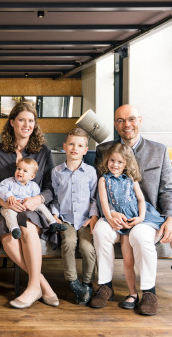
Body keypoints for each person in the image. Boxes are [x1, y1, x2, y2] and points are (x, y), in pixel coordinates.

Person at [90, 104, 172, 316]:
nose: (126, 124)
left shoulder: (159, 150)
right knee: (101, 232)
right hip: (114, 213)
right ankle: (105, 286)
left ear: (140, 120)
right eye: (120, 120)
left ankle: (148, 291)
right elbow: (97, 188)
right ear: (115, 124)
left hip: (145, 216)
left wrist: (171, 218)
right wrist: (105, 214)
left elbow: (168, 189)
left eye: (131, 119)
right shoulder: (104, 150)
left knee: (139, 236)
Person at [0, 102, 59, 309]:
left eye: (30, 121)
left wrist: (37, 199)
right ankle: (42, 285)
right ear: (12, 123)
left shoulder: (43, 152)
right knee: (9, 239)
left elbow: (49, 187)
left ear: (35, 124)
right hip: (8, 210)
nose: (26, 124)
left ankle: (31, 287)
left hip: (32, 209)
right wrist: (3, 202)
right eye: (21, 120)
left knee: (28, 230)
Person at [50, 128, 98, 305]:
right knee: (69, 242)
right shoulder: (56, 172)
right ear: (64, 147)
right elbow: (54, 198)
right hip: (66, 219)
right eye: (71, 144)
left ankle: (87, 283)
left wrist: (93, 216)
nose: (74, 148)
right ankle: (73, 282)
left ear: (85, 150)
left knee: (87, 248)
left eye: (79, 145)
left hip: (85, 220)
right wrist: (55, 215)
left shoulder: (91, 172)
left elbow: (95, 199)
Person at [0, 158, 66, 240]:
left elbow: (36, 198)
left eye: (25, 171)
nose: (20, 172)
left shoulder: (33, 186)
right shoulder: (9, 182)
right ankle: (14, 229)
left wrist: (31, 199)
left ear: (32, 176)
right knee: (8, 213)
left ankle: (52, 223)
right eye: (19, 169)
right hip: (11, 206)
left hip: (27, 208)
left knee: (41, 206)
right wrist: (9, 196)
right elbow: (1, 189)